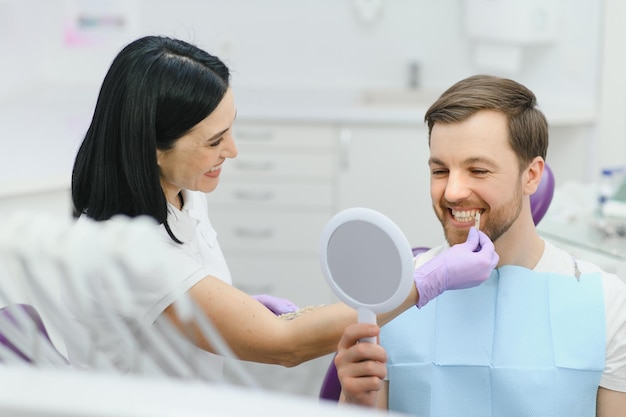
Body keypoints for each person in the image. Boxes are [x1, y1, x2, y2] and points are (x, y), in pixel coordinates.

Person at [65, 36, 499, 379]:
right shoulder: (131, 252)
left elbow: (180, 286)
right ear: (153, 148)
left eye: (230, 130)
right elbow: (283, 345)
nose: (232, 151)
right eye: (215, 142)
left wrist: (228, 304)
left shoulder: (180, 191)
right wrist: (429, 280)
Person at [334, 74, 626, 416]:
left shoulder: (604, 304)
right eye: (440, 171)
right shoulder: (395, 296)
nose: (453, 192)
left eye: (478, 170)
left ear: (531, 175)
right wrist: (354, 402)